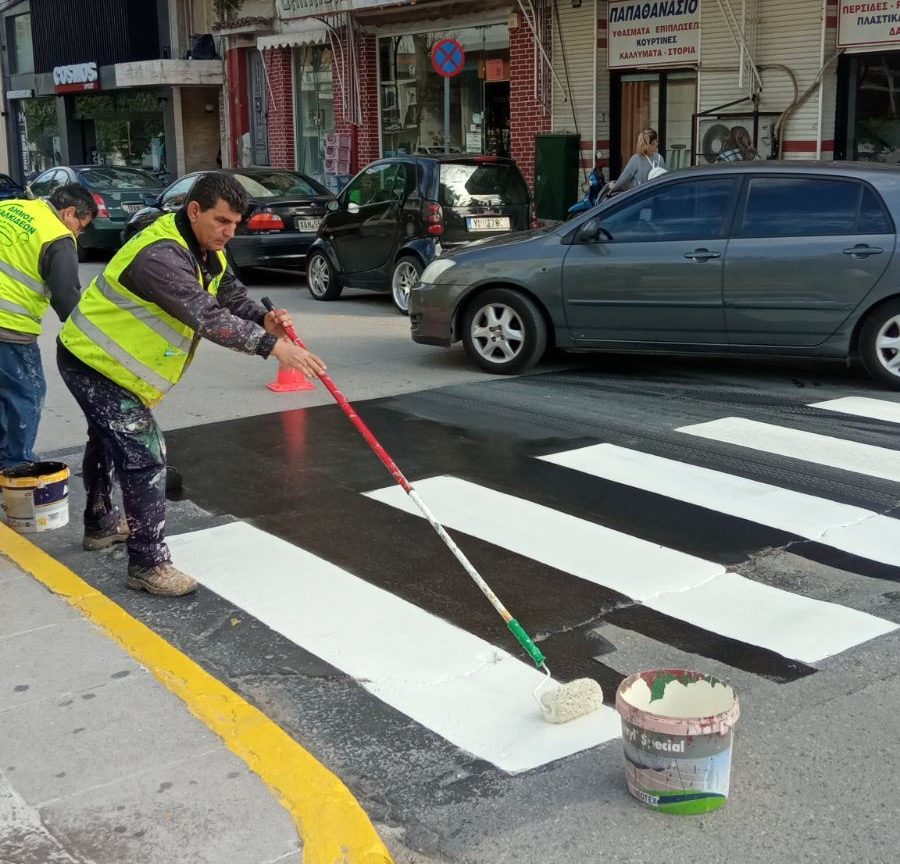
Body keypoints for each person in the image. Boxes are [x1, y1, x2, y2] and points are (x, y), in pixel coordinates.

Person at [57, 172, 327, 597]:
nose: (229, 232)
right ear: (194, 210)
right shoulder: (160, 255)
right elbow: (208, 316)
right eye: (221, 221)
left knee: (107, 439)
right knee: (146, 456)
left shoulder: (207, 250)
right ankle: (147, 564)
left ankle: (101, 523)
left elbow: (230, 297)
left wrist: (262, 318)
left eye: (235, 223)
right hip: (92, 361)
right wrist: (274, 347)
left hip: (110, 364)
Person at [0, 183, 98, 469]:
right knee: (26, 393)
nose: (79, 232)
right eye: (82, 225)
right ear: (68, 213)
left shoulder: (8, 207)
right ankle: (16, 464)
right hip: (10, 329)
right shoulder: (58, 238)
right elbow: (67, 298)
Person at [608, 129, 667, 194]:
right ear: (648, 144)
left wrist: (613, 188)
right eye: (654, 142)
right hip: (658, 194)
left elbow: (624, 178)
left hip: (641, 197)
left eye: (656, 142)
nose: (657, 144)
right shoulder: (660, 158)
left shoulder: (636, 159)